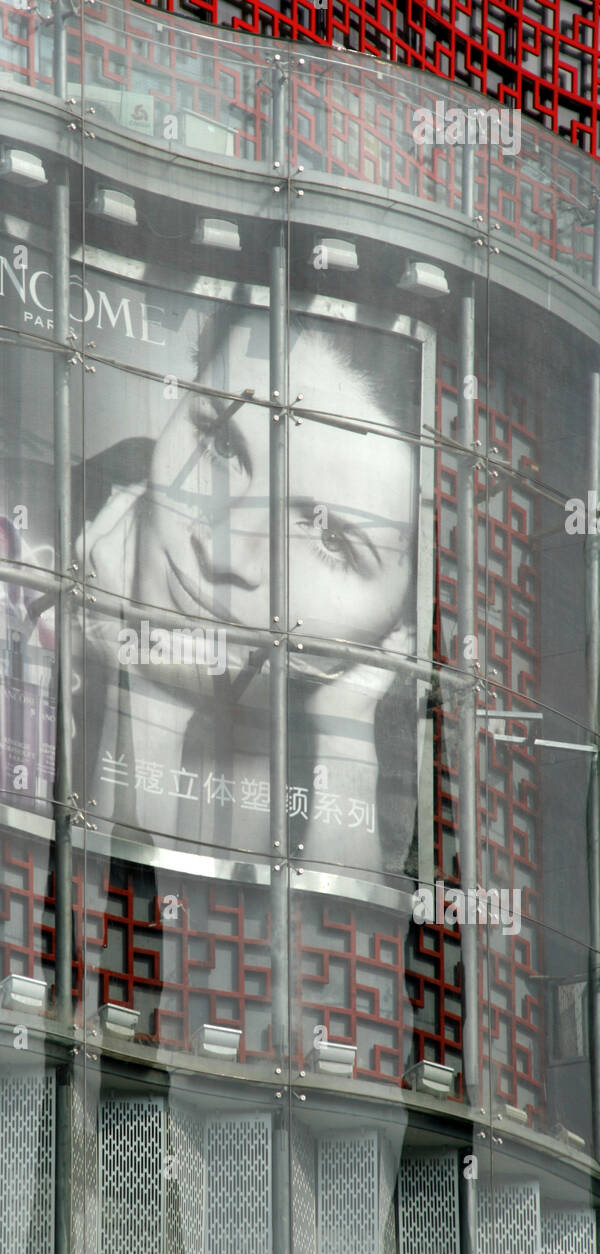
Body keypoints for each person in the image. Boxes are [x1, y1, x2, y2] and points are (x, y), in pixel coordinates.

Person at [79, 304, 421, 874]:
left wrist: (347, 743)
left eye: (331, 537)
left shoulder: (418, 754)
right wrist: (140, 685)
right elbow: (96, 935)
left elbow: (350, 958)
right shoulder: (2, 556)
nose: (224, 551)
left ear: (398, 624)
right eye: (222, 446)